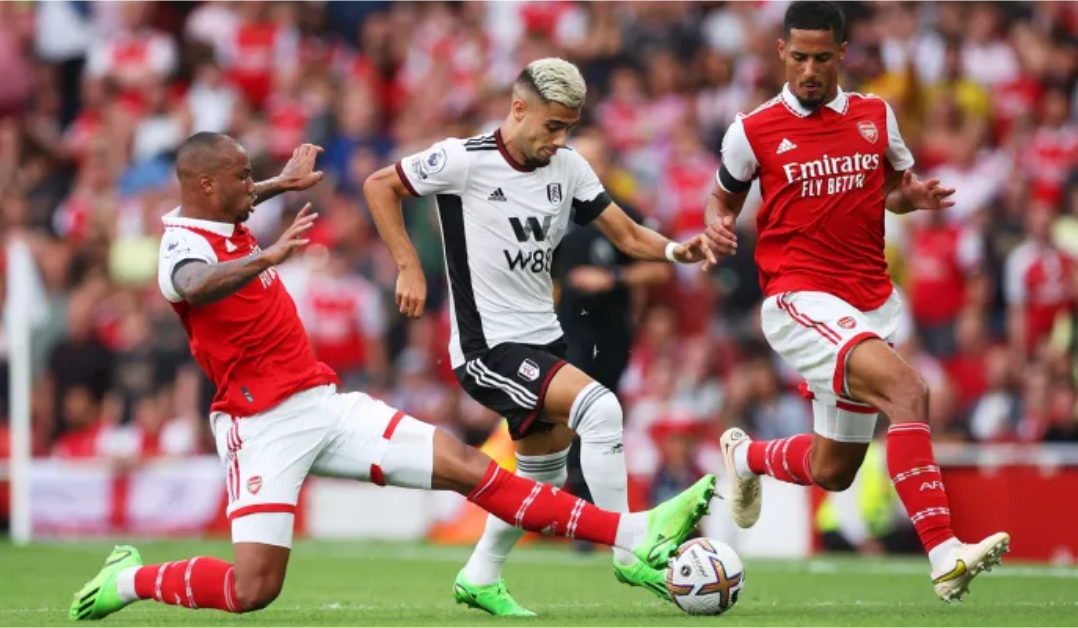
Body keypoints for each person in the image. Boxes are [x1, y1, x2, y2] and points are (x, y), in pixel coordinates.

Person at [67, 132, 718, 621]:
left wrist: (279, 188)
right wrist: (269, 253)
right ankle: (129, 579)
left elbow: (237, 206)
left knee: (470, 467)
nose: (252, 186)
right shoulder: (181, 245)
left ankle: (634, 534)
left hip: (323, 401)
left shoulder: (224, 213)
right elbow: (191, 284)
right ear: (206, 187)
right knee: (253, 590)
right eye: (243, 178)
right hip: (259, 424)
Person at [363, 58, 716, 616]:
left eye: (569, 127)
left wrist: (676, 250)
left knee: (539, 478)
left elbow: (623, 232)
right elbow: (379, 184)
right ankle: (632, 544)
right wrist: (409, 265)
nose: (560, 139)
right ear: (519, 108)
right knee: (600, 410)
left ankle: (479, 576)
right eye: (553, 125)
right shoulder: (462, 159)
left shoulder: (569, 166)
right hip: (488, 348)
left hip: (544, 340)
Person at [701, 0, 1009, 604]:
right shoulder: (753, 129)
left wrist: (910, 195)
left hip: (866, 301)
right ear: (781, 55)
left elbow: (892, 187)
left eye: (821, 58)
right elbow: (722, 199)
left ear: (842, 55)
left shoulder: (875, 115)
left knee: (834, 469)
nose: (809, 70)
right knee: (910, 391)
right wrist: (716, 227)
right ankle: (946, 555)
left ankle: (746, 456)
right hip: (798, 298)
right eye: (798, 58)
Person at [554, 130, 673, 537]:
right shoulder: (554, 212)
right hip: (565, 330)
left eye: (592, 160)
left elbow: (660, 266)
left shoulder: (624, 214)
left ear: (606, 166)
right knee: (573, 412)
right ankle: (576, 507)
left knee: (601, 417)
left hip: (611, 331)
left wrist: (612, 277)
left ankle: (598, 514)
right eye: (577, 159)